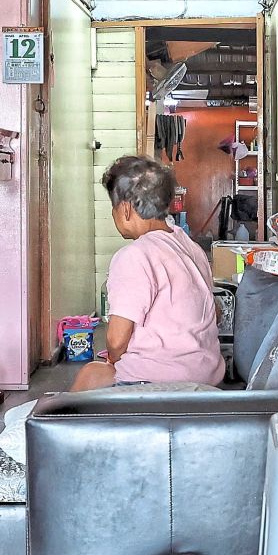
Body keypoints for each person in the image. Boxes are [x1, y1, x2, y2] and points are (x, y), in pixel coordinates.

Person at [71, 155, 225, 391]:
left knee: (91, 373)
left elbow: (116, 339)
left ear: (125, 208)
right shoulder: (191, 248)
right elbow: (215, 311)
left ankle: (58, 428)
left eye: (112, 207)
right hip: (207, 376)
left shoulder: (134, 255)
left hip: (156, 381)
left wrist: (113, 357)